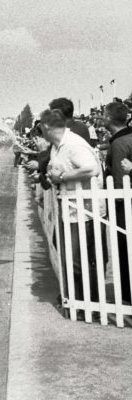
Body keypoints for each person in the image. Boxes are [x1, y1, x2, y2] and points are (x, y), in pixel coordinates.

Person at [40, 108, 106, 303]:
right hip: (70, 208)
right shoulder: (57, 146)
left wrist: (61, 176)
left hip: (83, 211)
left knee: (77, 258)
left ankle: (85, 299)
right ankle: (75, 296)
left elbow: (91, 168)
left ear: (46, 126)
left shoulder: (73, 144)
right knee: (68, 254)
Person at [103, 101, 132, 302]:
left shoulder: (119, 143)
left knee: (124, 250)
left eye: (103, 115)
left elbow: (121, 183)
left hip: (124, 208)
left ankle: (127, 295)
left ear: (109, 119)